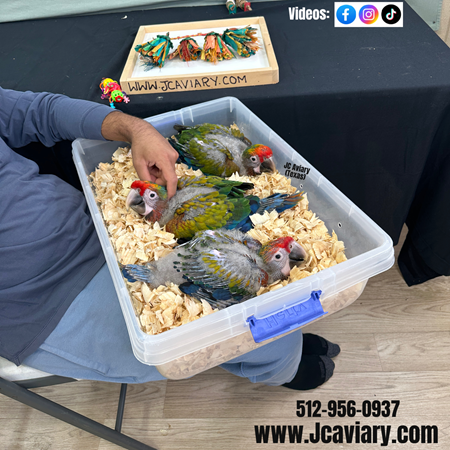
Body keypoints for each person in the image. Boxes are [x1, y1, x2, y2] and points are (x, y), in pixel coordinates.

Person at [0, 87, 339, 390]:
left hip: (94, 220)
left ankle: (277, 353)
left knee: (272, 313)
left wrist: (136, 129)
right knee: (265, 329)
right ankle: (283, 367)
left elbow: (36, 111)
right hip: (46, 295)